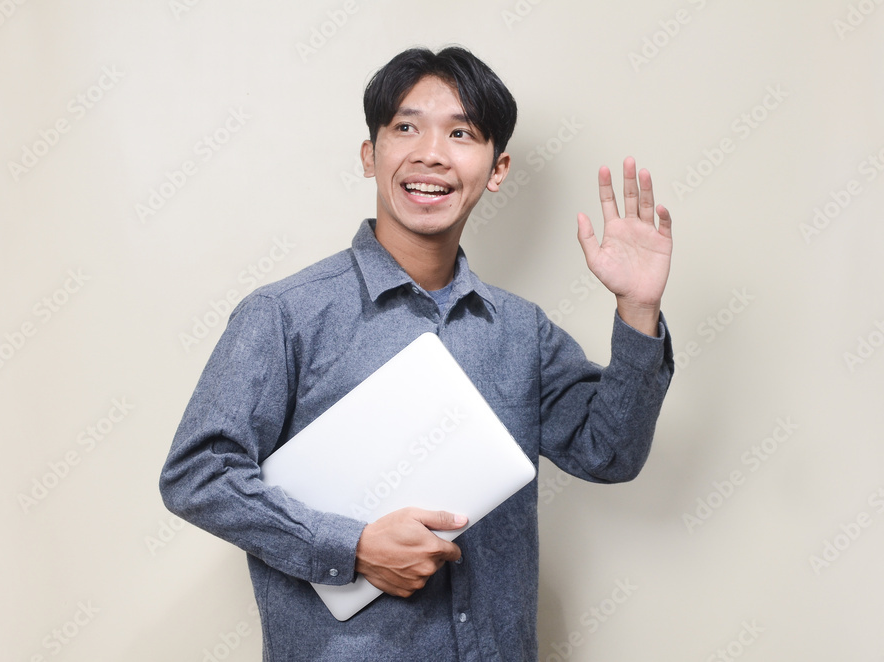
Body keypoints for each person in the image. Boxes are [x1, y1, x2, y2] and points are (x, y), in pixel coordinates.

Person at [160, 45, 674, 661]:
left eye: (461, 133)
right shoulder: (285, 314)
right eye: (406, 127)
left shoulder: (521, 330)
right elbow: (197, 474)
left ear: (497, 168)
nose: (431, 152)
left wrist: (638, 309)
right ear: (369, 154)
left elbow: (609, 453)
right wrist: (350, 547)